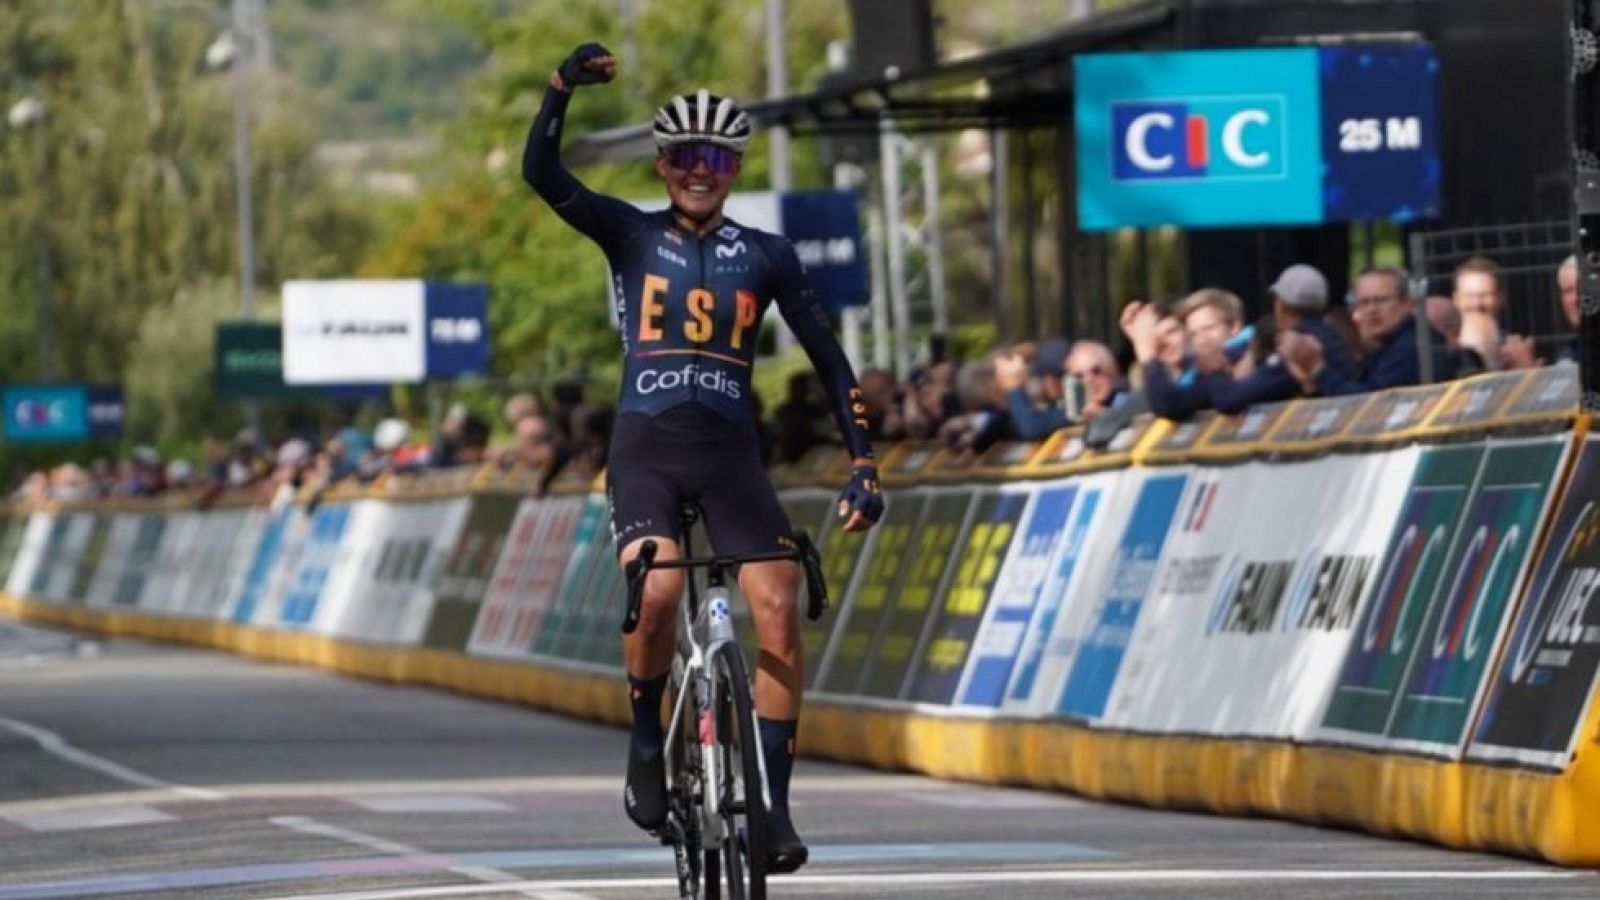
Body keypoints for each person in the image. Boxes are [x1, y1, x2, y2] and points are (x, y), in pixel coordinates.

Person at [523, 42, 884, 873]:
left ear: (733, 166)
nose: (700, 171)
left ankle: (773, 809)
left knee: (781, 605)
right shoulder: (627, 231)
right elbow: (542, 174)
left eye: (716, 158)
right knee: (657, 592)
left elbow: (830, 361)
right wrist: (559, 89)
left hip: (730, 455)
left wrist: (865, 461)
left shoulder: (766, 254)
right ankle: (648, 739)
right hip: (647, 446)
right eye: (686, 157)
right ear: (662, 165)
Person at [1281, 265, 1456, 396]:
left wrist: (1318, 369)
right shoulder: (1386, 345)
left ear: (1406, 303)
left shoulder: (1412, 347)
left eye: (1380, 300)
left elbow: (1367, 403)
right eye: (1364, 302)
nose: (1371, 310)